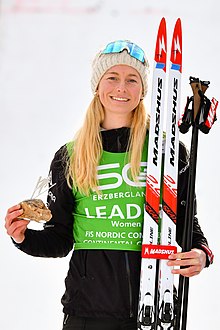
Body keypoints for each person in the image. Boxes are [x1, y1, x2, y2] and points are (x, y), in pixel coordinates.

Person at [5, 40, 213, 330]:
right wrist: (23, 237)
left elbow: (185, 222)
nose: (121, 88)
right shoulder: (70, 155)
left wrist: (201, 253)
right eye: (112, 78)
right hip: (87, 313)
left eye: (132, 80)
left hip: (153, 309)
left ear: (142, 90)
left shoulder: (169, 152)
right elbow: (60, 238)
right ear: (97, 86)